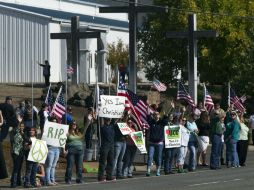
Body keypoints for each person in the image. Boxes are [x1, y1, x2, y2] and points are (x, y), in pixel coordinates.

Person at [146, 111, 168, 176]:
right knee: (150, 156)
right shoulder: (151, 122)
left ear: (159, 115)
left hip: (159, 143)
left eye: (157, 114)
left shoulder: (162, 122)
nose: (156, 115)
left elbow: (166, 120)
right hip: (151, 142)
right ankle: (148, 171)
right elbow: (148, 118)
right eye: (154, 114)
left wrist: (165, 115)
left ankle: (158, 170)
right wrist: (149, 113)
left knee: (158, 157)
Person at [45, 117, 61, 186]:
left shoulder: (58, 130)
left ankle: (52, 180)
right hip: (50, 149)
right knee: (49, 165)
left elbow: (61, 139)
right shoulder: (47, 129)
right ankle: (48, 181)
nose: (54, 122)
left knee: (53, 166)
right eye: (53, 121)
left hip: (57, 149)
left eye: (55, 121)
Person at [113, 111, 129, 179]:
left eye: (122, 114)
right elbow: (114, 124)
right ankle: (112, 173)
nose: (122, 116)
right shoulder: (116, 123)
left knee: (120, 159)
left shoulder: (124, 123)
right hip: (117, 142)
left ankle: (119, 173)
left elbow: (126, 131)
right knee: (115, 158)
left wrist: (127, 135)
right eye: (121, 114)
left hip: (124, 142)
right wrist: (119, 117)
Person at [10, 120, 25, 188]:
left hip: (21, 152)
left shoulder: (23, 133)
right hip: (15, 152)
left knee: (19, 167)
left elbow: (27, 140)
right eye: (20, 126)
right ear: (17, 126)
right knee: (16, 167)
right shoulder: (13, 132)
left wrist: (23, 134)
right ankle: (13, 182)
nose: (21, 127)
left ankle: (19, 181)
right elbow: (12, 140)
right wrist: (18, 132)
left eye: (22, 126)